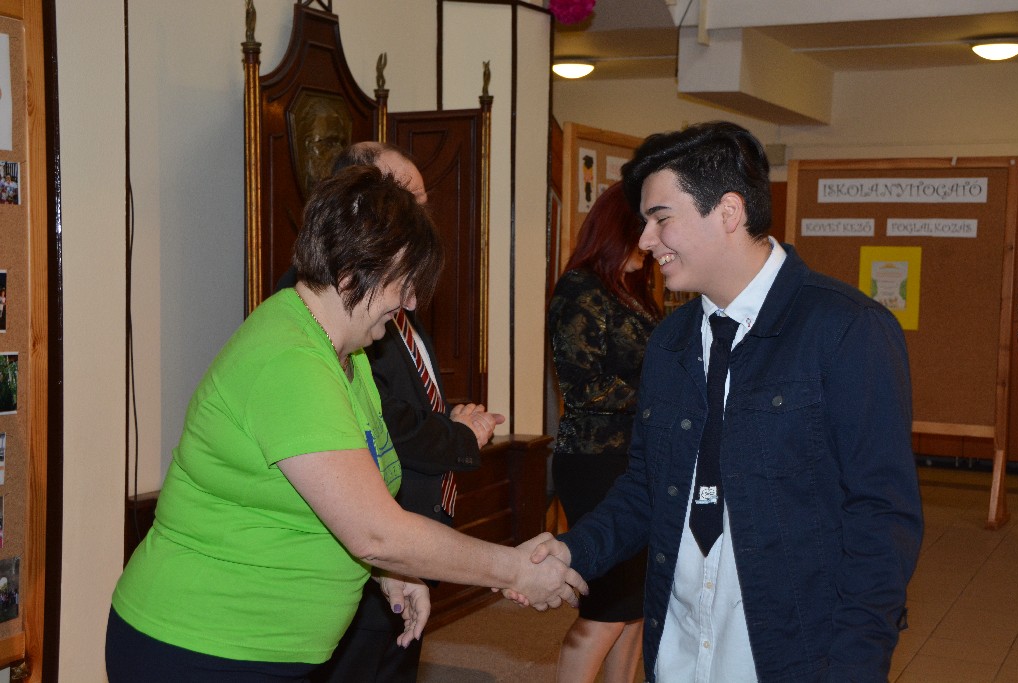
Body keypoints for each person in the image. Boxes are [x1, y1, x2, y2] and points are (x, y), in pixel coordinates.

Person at [105, 165, 586, 683]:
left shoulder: (348, 357)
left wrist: (389, 572)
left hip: (263, 650)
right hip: (199, 645)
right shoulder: (290, 361)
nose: (412, 302)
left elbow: (350, 499)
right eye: (404, 283)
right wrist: (514, 569)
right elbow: (376, 532)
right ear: (352, 274)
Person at [525, 121, 923, 682]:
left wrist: (856, 664)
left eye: (661, 218)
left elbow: (882, 519)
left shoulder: (847, 331)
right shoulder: (671, 341)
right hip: (680, 648)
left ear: (729, 212)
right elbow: (646, 488)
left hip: (789, 654)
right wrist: (572, 552)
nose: (646, 240)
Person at [276, 141, 504, 683]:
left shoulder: (378, 297)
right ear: (361, 207)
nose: (421, 216)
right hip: (352, 553)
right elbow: (383, 425)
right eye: (407, 201)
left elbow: (393, 400)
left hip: (391, 554)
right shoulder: (309, 326)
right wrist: (513, 569)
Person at [547, 181, 660, 683]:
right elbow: (583, 386)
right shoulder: (580, 288)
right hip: (595, 461)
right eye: (645, 227)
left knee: (636, 606)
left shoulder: (632, 290)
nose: (653, 241)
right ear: (619, 229)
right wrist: (659, 398)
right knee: (609, 607)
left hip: (634, 457)